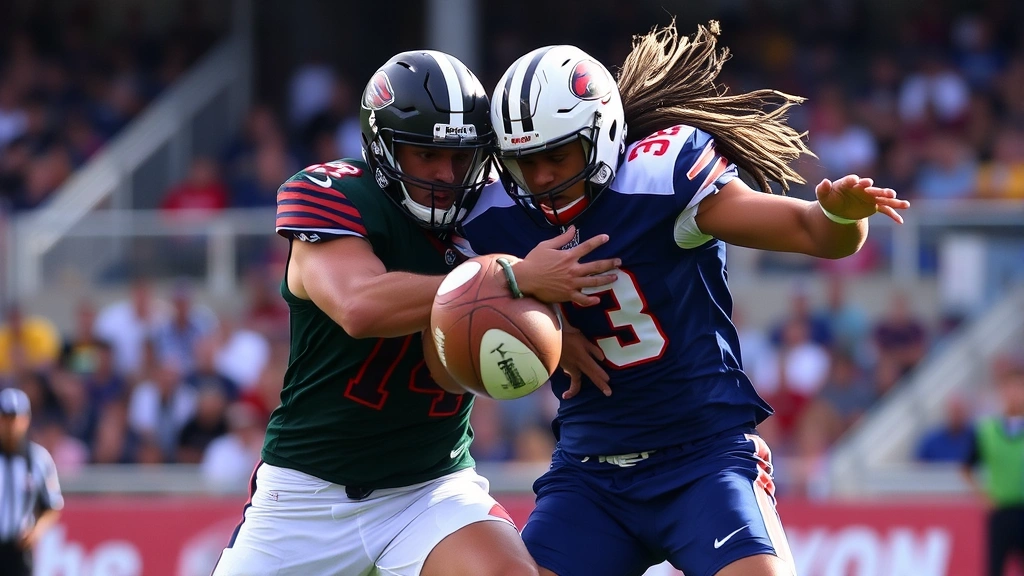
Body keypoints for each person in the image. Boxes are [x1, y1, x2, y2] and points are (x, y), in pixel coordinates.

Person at [456, 21, 909, 576]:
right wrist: (526, 291)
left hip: (703, 460)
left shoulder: (656, 177)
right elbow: (451, 297)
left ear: (599, 138)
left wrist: (840, 215)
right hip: (590, 475)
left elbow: (814, 233)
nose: (544, 178)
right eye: (528, 162)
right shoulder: (495, 216)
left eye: (560, 157)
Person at [212, 50, 618, 576]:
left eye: (461, 157)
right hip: (307, 496)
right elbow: (360, 306)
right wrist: (506, 278)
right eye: (425, 155)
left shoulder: (492, 215)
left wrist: (564, 331)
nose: (445, 175)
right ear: (384, 149)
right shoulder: (335, 194)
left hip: (430, 490)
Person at [961, 362, 1024, 576]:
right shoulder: (987, 431)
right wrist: (983, 495)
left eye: (1019, 388)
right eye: (1009, 388)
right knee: (994, 568)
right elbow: (966, 467)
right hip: (1000, 511)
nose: (1015, 394)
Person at [0, 388, 64, 576]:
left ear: (26, 420)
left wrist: (36, 530)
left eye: (15, 418)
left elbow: (52, 505)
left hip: (19, 550)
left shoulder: (38, 459)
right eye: (5, 418)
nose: (11, 425)